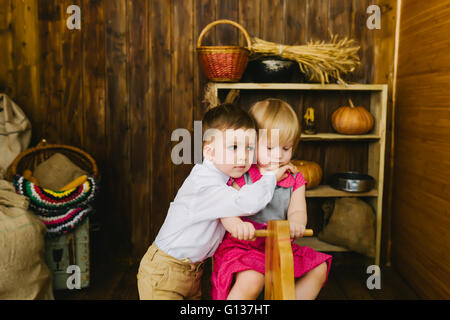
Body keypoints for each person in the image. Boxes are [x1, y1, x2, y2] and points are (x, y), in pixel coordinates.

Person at [137, 102, 296, 300]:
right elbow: (246, 203)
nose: (243, 156)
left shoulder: (225, 179)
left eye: (249, 148)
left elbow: (228, 210)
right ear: (209, 152)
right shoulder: (205, 183)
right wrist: (272, 177)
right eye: (234, 147)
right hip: (165, 271)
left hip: (192, 272)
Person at [211, 98, 332, 300]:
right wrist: (235, 225)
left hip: (279, 243)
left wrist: (296, 223)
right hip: (245, 245)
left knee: (318, 268)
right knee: (252, 279)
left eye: (285, 149)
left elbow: (297, 211)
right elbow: (226, 206)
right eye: (269, 148)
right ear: (251, 144)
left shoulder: (295, 179)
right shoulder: (244, 173)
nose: (278, 156)